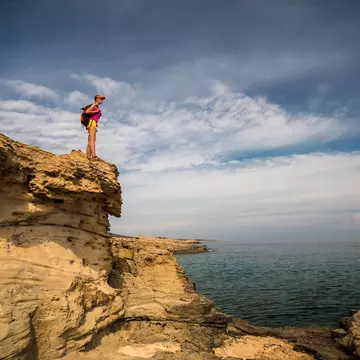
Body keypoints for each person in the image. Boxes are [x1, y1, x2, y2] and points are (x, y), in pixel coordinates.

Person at [85, 94, 105, 159]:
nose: (102, 100)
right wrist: (96, 111)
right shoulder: (95, 105)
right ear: (96, 99)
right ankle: (94, 155)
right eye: (100, 98)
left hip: (93, 124)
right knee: (92, 140)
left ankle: (88, 156)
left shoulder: (97, 107)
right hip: (92, 123)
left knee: (90, 140)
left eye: (102, 99)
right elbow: (87, 112)